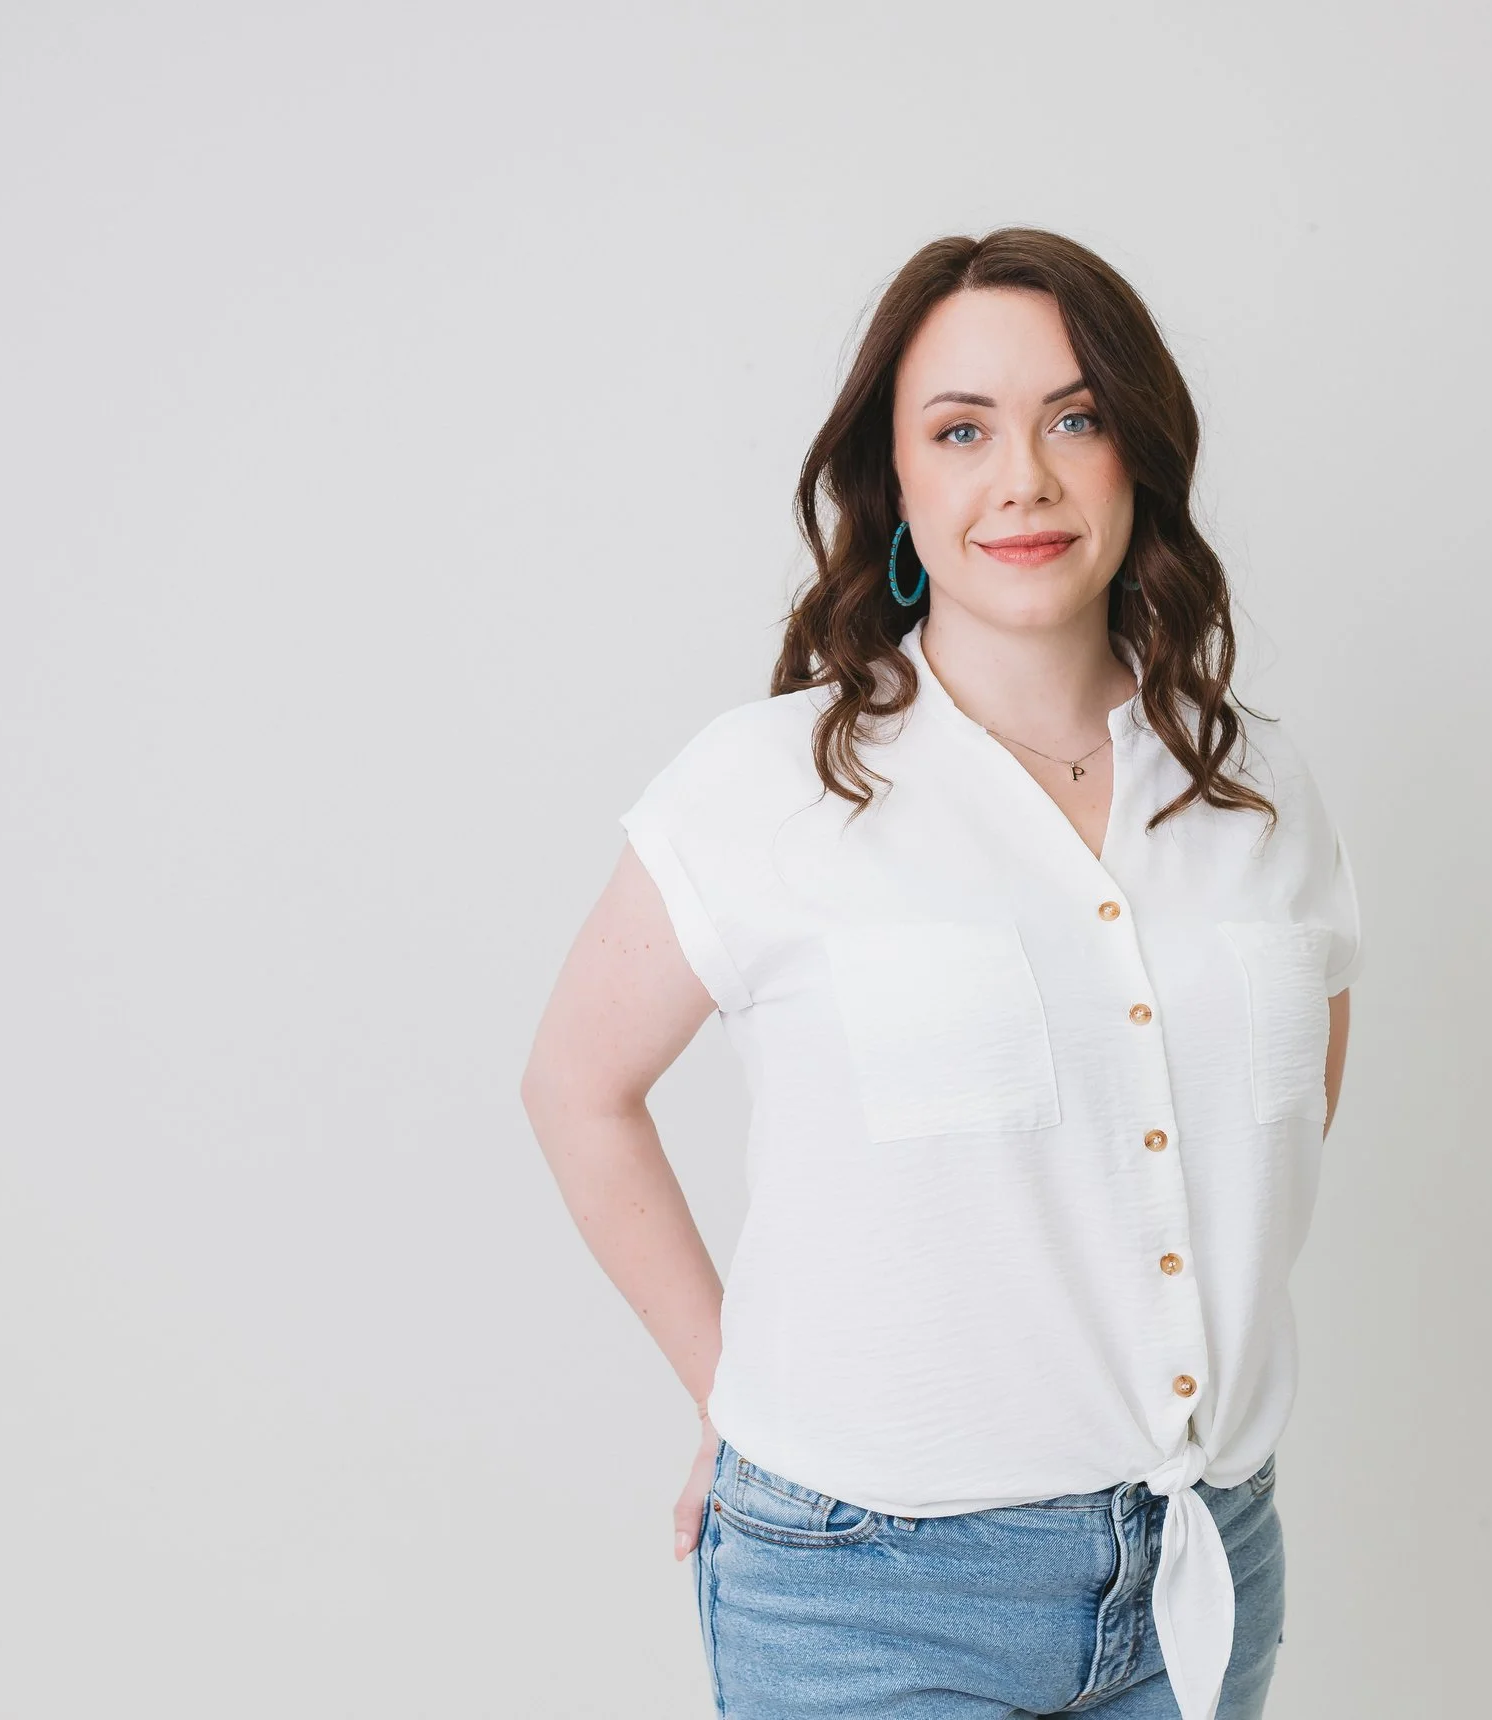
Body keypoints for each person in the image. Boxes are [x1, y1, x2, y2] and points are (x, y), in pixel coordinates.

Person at [519, 227, 1363, 1720]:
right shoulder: (769, 783)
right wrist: (740, 1394)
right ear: (895, 483)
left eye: (1075, 418)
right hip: (870, 1602)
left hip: (1199, 1568)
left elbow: (1279, 1108)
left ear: (1136, 459)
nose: (1021, 476)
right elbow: (577, 1088)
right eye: (960, 430)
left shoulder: (1261, 793)